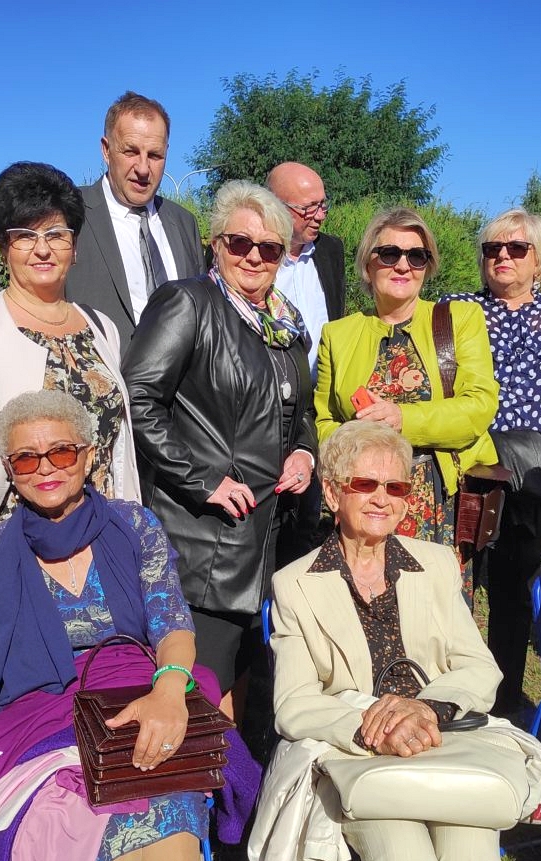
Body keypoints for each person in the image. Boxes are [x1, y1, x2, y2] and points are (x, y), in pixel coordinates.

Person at [0, 390, 250, 861]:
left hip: (141, 689)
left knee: (168, 799)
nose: (45, 468)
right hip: (41, 715)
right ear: (9, 470)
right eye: (26, 458)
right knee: (94, 814)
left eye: (61, 452)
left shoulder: (134, 526)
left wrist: (170, 691)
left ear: (90, 456)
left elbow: (172, 622)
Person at [269, 419, 507, 861]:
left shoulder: (437, 565)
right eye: (365, 484)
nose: (382, 498)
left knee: (472, 853)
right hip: (359, 755)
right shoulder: (295, 585)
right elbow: (293, 703)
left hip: (441, 738)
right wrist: (374, 724)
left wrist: (424, 709)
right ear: (333, 493)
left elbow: (478, 667)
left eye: (395, 486)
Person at [123, 180, 317, 716]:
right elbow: (138, 398)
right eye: (239, 242)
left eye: (269, 248)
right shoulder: (188, 303)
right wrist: (203, 480)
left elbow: (300, 412)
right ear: (215, 244)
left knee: (244, 675)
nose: (254, 256)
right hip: (206, 538)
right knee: (201, 687)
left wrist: (304, 452)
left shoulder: (285, 324)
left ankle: (233, 767)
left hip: (269, 534)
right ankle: (197, 769)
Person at [0, 161, 139, 558]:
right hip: (9, 541)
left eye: (56, 234)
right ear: (3, 247)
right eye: (24, 235)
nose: (42, 248)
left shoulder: (102, 327)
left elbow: (116, 448)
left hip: (98, 536)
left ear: (74, 246)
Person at [443, 208, 541, 713]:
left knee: (514, 589)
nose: (502, 256)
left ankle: (504, 700)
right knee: (456, 582)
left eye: (516, 248)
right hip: (469, 467)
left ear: (538, 259)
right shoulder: (457, 308)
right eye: (492, 249)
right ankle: (455, 692)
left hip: (533, 473)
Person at [314, 207, 498, 577]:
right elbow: (324, 421)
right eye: (389, 253)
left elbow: (479, 406)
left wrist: (402, 419)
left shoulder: (460, 320)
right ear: (368, 264)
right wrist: (357, 445)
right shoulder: (338, 334)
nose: (403, 265)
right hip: (363, 499)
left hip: (437, 499)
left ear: (427, 266)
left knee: (434, 602)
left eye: (416, 256)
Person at [64, 91, 204, 353]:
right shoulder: (69, 214)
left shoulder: (185, 224)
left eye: (155, 155)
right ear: (106, 150)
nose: (143, 168)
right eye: (131, 151)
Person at [267, 161, 346, 376]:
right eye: (308, 208)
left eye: (322, 204)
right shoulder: (251, 256)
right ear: (276, 206)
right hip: (274, 390)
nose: (320, 215)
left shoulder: (331, 250)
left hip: (324, 390)